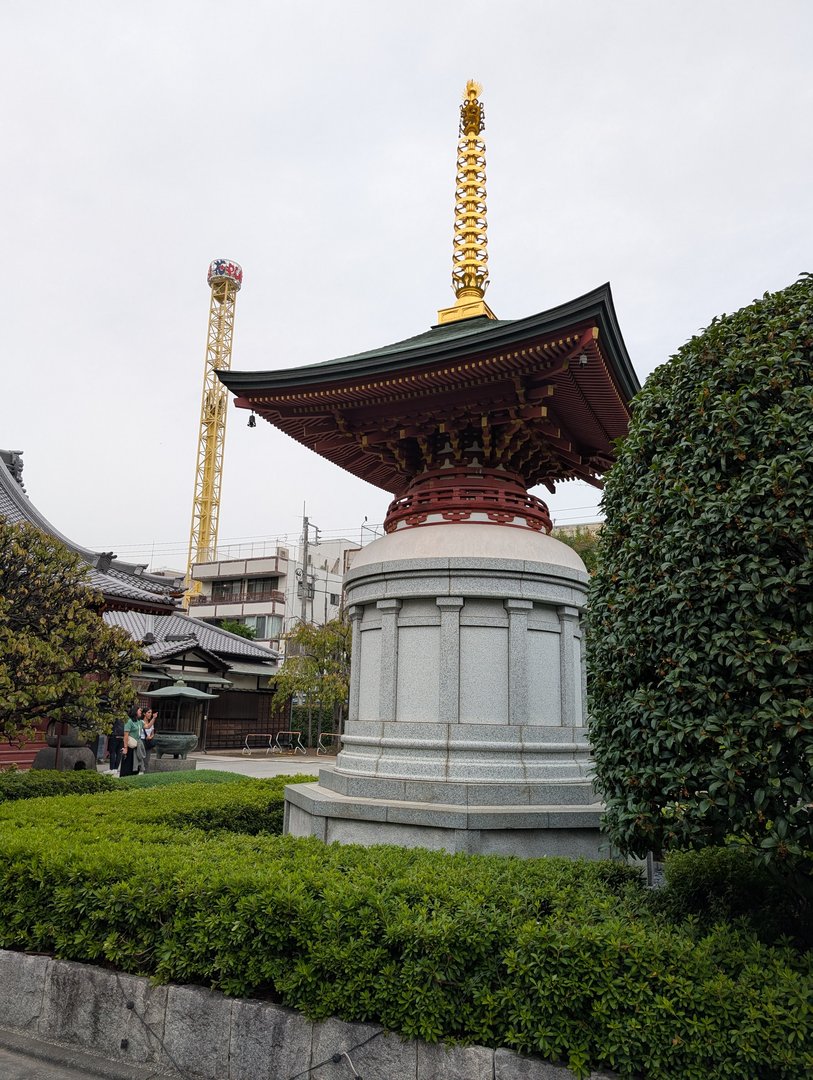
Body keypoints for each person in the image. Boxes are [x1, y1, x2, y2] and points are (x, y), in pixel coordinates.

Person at [120, 708, 145, 777]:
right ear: (135, 711)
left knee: (135, 763)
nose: (141, 712)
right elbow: (126, 735)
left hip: (136, 746)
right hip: (129, 745)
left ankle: (134, 776)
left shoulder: (139, 721)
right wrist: (125, 748)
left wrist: (154, 718)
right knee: (128, 764)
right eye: (140, 710)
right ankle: (124, 778)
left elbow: (147, 726)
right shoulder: (129, 721)